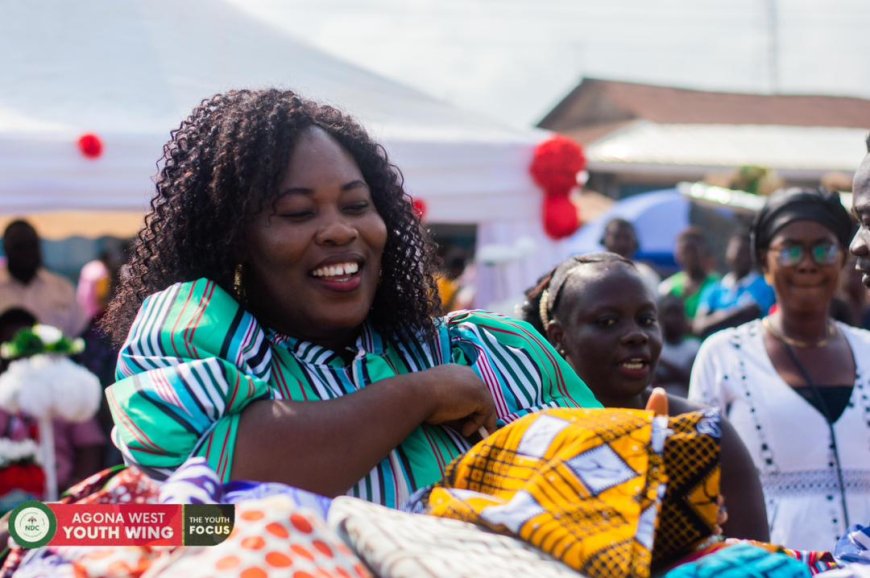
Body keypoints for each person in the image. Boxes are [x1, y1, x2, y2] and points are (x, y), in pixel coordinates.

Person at [101, 89, 600, 508]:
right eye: (297, 212)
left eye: (358, 205)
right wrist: (420, 395)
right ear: (233, 239)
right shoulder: (192, 337)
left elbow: (604, 489)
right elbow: (220, 481)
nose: (340, 230)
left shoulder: (486, 351)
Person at [521, 252, 769, 541]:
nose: (636, 335)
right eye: (608, 322)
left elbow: (758, 560)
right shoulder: (537, 437)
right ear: (558, 338)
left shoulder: (703, 433)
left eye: (646, 319)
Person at [689, 187, 870, 551]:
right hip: (768, 567)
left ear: (841, 258)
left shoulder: (868, 348)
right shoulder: (724, 355)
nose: (808, 263)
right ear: (764, 263)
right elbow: (695, 480)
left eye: (824, 248)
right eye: (790, 250)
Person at [0, 308, 106, 492]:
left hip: (60, 495)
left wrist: (74, 492)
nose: (21, 355)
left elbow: (91, 445)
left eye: (28, 345)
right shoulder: (6, 389)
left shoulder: (65, 389)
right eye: (12, 344)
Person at [0, 220, 86, 337]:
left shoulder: (61, 287)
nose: (27, 252)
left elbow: (80, 333)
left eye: (32, 245)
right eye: (19, 246)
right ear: (6, 248)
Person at [693, 231, 776, 338]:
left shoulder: (765, 287)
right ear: (728, 253)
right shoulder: (713, 289)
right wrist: (738, 312)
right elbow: (699, 327)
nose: (740, 256)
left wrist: (715, 317)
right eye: (737, 251)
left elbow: (753, 315)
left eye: (746, 252)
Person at [658, 227, 721, 322]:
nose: (690, 256)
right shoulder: (669, 287)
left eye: (694, 250)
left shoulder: (717, 284)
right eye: (685, 251)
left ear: (704, 252)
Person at [601, 218, 660, 295]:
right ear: (604, 240)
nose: (622, 244)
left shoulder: (645, 274)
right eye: (617, 237)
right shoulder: (592, 272)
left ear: (635, 243)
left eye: (627, 238)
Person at [656, 294, 700, 399]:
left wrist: (661, 361)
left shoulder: (695, 347)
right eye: (668, 313)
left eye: (677, 313)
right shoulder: (654, 346)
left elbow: (689, 378)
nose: (673, 319)